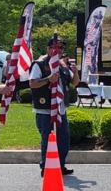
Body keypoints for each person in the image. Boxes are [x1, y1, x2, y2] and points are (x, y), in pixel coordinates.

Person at [29, 34, 76, 176]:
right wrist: (48, 79)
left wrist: (75, 72)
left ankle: (60, 165)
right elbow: (32, 83)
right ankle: (45, 166)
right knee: (48, 139)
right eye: (55, 47)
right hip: (45, 109)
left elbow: (73, 83)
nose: (59, 50)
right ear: (48, 48)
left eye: (61, 48)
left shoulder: (62, 64)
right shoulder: (39, 63)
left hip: (60, 109)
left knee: (64, 139)